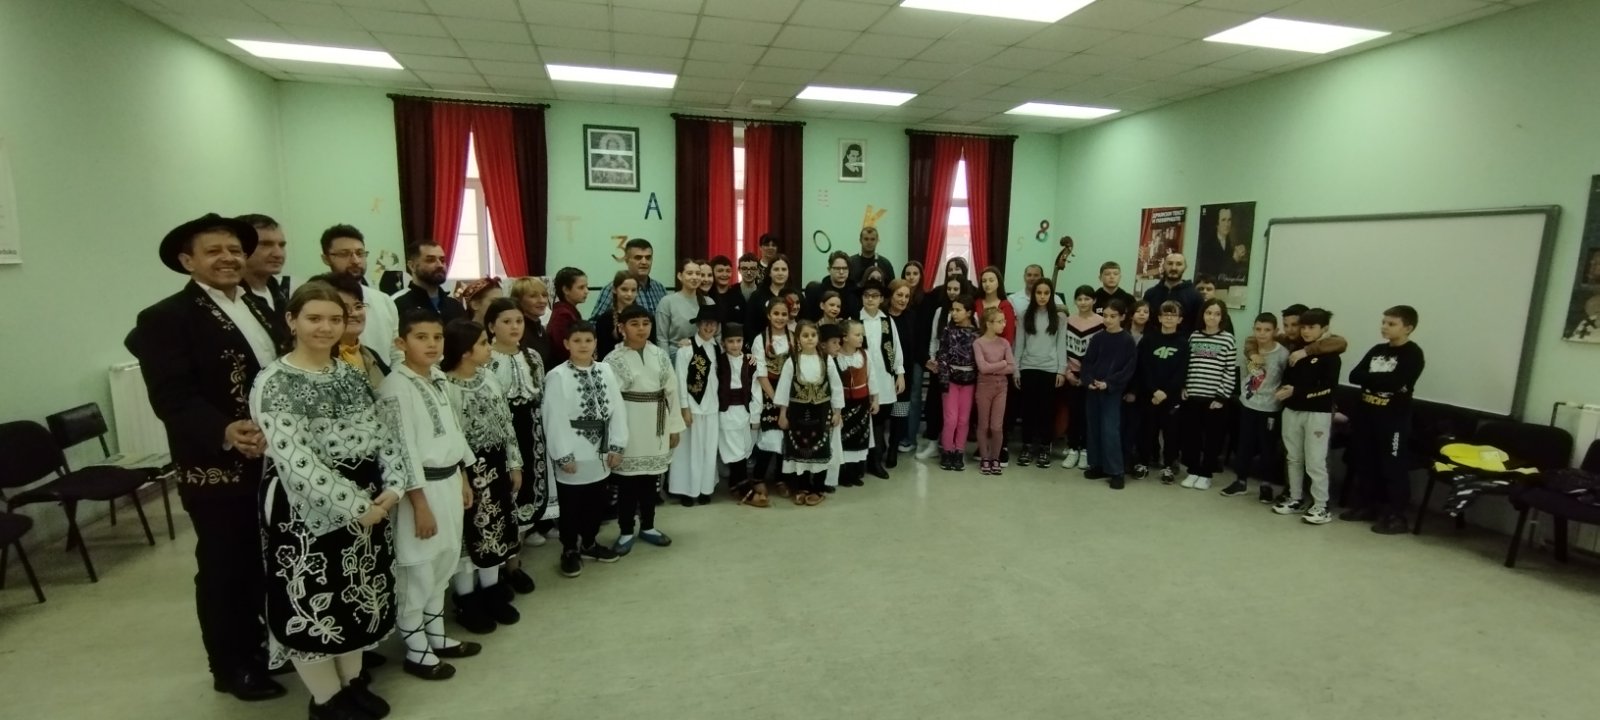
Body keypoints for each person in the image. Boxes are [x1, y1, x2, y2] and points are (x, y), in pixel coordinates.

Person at [125, 213, 289, 703]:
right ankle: (230, 665)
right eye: (214, 251)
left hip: (274, 458)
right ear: (187, 260)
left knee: (265, 559)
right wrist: (223, 430)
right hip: (217, 466)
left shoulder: (258, 305)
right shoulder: (166, 317)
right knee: (224, 565)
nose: (228, 258)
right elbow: (172, 397)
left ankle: (268, 645)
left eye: (235, 250)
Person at [250, 282, 411, 719]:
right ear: (292, 321)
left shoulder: (350, 373)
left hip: (371, 504)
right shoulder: (275, 381)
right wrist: (359, 507)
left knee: (357, 594)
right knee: (314, 599)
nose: (325, 327)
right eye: (314, 318)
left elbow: (383, 434)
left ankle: (351, 682)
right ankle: (325, 699)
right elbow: (295, 461)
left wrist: (394, 487)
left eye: (335, 319)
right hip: (307, 511)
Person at [379, 309, 480, 682]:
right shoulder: (396, 387)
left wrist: (463, 477)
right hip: (418, 491)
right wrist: (419, 505)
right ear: (401, 342)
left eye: (437, 337)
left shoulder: (437, 378)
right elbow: (401, 450)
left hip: (449, 481)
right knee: (418, 567)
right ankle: (416, 649)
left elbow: (453, 432)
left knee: (444, 562)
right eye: (421, 337)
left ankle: (436, 635)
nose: (432, 344)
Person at [439, 320, 523, 633]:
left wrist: (514, 463)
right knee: (469, 535)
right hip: (468, 471)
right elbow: (450, 437)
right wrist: (461, 476)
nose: (489, 348)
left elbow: (506, 423)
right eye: (483, 343)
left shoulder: (488, 378)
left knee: (497, 530)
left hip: (496, 464)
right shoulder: (445, 386)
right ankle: (466, 598)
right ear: (464, 351)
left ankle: (491, 589)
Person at [542, 322, 628, 578]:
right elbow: (554, 417)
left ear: (595, 343)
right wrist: (563, 454)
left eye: (588, 340)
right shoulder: (557, 376)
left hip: (601, 449)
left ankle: (589, 543)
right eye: (577, 340)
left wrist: (618, 444)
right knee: (572, 503)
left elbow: (617, 409)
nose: (583, 345)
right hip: (573, 448)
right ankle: (569, 548)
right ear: (566, 344)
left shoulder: (606, 370)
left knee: (596, 500)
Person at [606, 305, 684, 554]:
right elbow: (609, 401)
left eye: (645, 323)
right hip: (629, 426)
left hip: (656, 425)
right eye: (634, 324)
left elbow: (672, 391)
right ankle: (626, 530)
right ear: (622, 327)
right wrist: (614, 438)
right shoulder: (612, 360)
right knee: (628, 484)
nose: (641, 329)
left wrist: (674, 427)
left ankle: (648, 526)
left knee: (651, 481)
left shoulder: (659, 355)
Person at [483, 298, 550, 589]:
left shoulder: (532, 356)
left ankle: (514, 564)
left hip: (530, 432)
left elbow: (540, 396)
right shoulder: (485, 358)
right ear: (491, 326)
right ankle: (493, 569)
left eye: (519, 321)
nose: (514, 327)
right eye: (507, 322)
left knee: (524, 495)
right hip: (499, 435)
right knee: (501, 497)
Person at [1344, 305, 1426, 535]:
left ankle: (1396, 515)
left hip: (1393, 419)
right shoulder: (1377, 350)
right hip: (1367, 416)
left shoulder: (1412, 354)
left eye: (1391, 324)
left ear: (1408, 328)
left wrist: (1372, 379)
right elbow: (1354, 375)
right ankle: (1368, 505)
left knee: (1393, 467)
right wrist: (1383, 379)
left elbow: (1396, 382)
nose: (1384, 327)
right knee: (1366, 461)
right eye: (1384, 322)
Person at [1273, 308, 1341, 525]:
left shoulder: (1331, 356)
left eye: (1312, 327)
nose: (1306, 331)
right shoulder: (1297, 352)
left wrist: (1297, 391)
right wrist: (1285, 390)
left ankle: (1321, 505)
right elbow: (1288, 377)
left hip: (1317, 413)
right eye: (1304, 327)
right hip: (1292, 410)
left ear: (1324, 329)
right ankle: (1295, 497)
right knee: (1293, 457)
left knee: (1315, 461)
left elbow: (1328, 388)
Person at [1222, 313, 1288, 503]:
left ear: (1275, 331)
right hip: (1248, 404)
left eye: (1267, 330)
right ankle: (1240, 481)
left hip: (1270, 408)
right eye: (1258, 329)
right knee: (1245, 443)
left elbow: (1285, 378)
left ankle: (1266, 485)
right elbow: (1247, 373)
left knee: (1267, 447)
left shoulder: (1282, 354)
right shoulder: (1251, 349)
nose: (1262, 333)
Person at [775, 321, 843, 504]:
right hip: (797, 415)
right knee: (801, 451)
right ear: (798, 339)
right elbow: (783, 388)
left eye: (813, 335)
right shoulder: (792, 361)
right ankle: (802, 486)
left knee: (820, 450)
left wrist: (837, 412)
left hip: (821, 414)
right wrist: (782, 413)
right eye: (805, 335)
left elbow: (836, 387)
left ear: (818, 337)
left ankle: (818, 487)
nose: (810, 339)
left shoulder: (826, 360)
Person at [1177, 299, 1237, 491]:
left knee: (1212, 439)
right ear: (1202, 314)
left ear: (1223, 317)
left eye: (1217, 314)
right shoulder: (1194, 336)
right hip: (1193, 395)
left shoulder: (1228, 339)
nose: (1212, 317)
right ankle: (1193, 470)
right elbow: (1187, 364)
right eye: (1208, 313)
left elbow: (1229, 371)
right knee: (1191, 436)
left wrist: (1221, 397)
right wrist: (1183, 386)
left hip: (1214, 399)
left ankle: (1206, 474)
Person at [1081, 300, 1139, 489]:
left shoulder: (1127, 340)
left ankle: (1116, 471)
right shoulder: (1098, 338)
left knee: (1110, 430)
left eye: (1113, 316)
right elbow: (1087, 362)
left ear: (1122, 317)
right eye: (1105, 316)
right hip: (1094, 390)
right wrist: (1089, 380)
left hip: (1112, 392)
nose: (1108, 320)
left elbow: (1128, 369)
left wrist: (1109, 383)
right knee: (1094, 427)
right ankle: (1097, 465)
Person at [669, 306, 723, 505]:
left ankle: (704, 488)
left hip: (712, 407)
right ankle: (687, 490)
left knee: (709, 449)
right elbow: (680, 380)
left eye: (713, 324)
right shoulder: (686, 349)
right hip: (692, 407)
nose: (709, 327)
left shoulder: (718, 348)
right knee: (688, 451)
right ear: (698, 325)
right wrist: (684, 409)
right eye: (705, 323)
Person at [1012, 278, 1067, 468]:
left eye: (1046, 293)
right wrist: (1016, 370)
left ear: (1051, 295)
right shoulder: (1024, 315)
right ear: (1033, 294)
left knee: (1047, 411)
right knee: (1028, 410)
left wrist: (1061, 370)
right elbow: (1019, 343)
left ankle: (1045, 447)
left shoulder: (1059, 317)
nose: (1042, 296)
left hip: (1050, 369)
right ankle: (1026, 446)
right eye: (1039, 293)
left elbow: (1061, 345)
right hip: (1028, 368)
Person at [319, 224, 399, 353]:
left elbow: (396, 353)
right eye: (344, 254)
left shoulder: (384, 300)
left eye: (360, 253)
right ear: (326, 259)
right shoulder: (316, 301)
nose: (355, 260)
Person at [917, 276, 970, 460]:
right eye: (949, 288)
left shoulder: (969, 313)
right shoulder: (940, 311)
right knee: (934, 406)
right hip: (941, 367)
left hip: (962, 372)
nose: (952, 292)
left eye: (956, 289)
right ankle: (933, 443)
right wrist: (932, 360)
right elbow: (934, 338)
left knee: (955, 413)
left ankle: (953, 447)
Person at [1137, 301, 1188, 484]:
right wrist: (1154, 390)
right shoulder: (1148, 340)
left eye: (1173, 315)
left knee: (1171, 432)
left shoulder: (1183, 343)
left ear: (1179, 319)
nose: (1169, 318)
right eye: (1165, 314)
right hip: (1150, 395)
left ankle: (1168, 465)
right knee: (1147, 430)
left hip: (1171, 396)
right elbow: (1143, 367)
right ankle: (1143, 462)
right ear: (1159, 318)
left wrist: (1165, 392)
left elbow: (1181, 371)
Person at [313, 272, 390, 391]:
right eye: (344, 308)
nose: (354, 313)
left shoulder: (370, 354)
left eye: (358, 306)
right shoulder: (316, 360)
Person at [858, 279, 903, 477]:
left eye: (875, 296)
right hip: (862, 378)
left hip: (884, 378)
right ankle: (862, 460)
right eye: (867, 295)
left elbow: (896, 347)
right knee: (863, 419)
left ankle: (875, 461)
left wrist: (900, 373)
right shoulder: (856, 320)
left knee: (879, 419)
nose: (870, 299)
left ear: (882, 299)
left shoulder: (887, 321)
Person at [831, 319, 884, 487]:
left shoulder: (864, 355)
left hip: (862, 405)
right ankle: (843, 474)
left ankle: (855, 472)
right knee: (843, 439)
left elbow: (872, 378)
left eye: (862, 334)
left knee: (859, 438)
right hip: (844, 405)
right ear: (845, 337)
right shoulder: (835, 358)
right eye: (857, 334)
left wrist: (875, 400)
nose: (861, 337)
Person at [751, 298, 796, 500]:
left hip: (790, 391)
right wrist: (776, 398)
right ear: (769, 315)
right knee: (770, 436)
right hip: (768, 391)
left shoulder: (794, 338)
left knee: (786, 436)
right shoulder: (760, 339)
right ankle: (758, 477)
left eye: (784, 314)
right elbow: (761, 373)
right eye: (776, 313)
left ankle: (781, 478)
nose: (780, 318)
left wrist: (788, 396)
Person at [716, 323, 764, 506]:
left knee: (743, 448)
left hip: (744, 411)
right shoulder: (718, 361)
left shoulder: (750, 362)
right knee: (734, 450)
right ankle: (744, 487)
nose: (735, 345)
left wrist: (755, 415)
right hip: (726, 412)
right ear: (723, 343)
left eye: (739, 341)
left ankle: (735, 483)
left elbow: (756, 389)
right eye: (730, 341)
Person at [1061, 285, 1104, 470]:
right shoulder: (1068, 321)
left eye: (1087, 299)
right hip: (1071, 374)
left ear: (1094, 300)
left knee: (1089, 415)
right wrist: (1068, 373)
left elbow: (1103, 352)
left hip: (1092, 376)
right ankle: (1073, 448)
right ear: (1075, 301)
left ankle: (1086, 450)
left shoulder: (1101, 322)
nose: (1083, 302)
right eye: (1080, 299)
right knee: (1073, 413)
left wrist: (1090, 377)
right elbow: (1061, 348)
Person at [936, 293, 980, 472]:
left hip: (969, 383)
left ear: (968, 312)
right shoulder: (948, 331)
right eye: (952, 310)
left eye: (958, 310)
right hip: (951, 382)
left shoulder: (976, 334)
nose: (953, 313)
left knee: (963, 420)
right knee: (951, 419)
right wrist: (944, 379)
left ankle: (959, 452)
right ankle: (947, 451)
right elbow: (942, 355)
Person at [974, 308, 1017, 476]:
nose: (1004, 324)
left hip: (1001, 387)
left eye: (1004, 321)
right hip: (984, 386)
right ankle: (985, 457)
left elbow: (1012, 367)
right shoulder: (978, 343)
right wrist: (1002, 364)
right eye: (1000, 321)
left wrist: (995, 367)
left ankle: (995, 458)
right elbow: (982, 368)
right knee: (983, 425)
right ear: (989, 324)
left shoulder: (1004, 343)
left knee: (996, 426)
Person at [588, 238, 666, 317]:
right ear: (626, 260)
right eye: (638, 258)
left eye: (648, 258)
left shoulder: (659, 288)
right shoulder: (614, 288)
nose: (644, 262)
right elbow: (595, 321)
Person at [886, 278, 920, 461]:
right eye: (899, 295)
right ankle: (879, 447)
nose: (903, 299)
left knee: (900, 412)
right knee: (882, 412)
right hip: (884, 372)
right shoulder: (882, 316)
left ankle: (893, 448)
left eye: (907, 296)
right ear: (890, 295)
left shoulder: (912, 317)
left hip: (904, 372)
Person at [392, 241, 466, 323]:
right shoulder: (397, 304)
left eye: (442, 260)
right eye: (430, 260)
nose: (440, 265)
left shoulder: (455, 306)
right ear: (412, 266)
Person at [594, 270, 657, 359]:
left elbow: (652, 347)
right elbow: (602, 353)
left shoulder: (646, 317)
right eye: (624, 289)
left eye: (633, 290)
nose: (629, 294)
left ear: (638, 291)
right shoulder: (605, 319)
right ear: (614, 289)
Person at [656, 258, 713, 351]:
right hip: (675, 354)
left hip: (704, 354)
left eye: (698, 274)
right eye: (689, 273)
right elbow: (662, 339)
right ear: (680, 276)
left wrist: (692, 342)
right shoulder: (667, 302)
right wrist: (665, 360)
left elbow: (715, 335)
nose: (694, 277)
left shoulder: (709, 302)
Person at [1141, 253, 1203, 335]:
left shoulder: (1195, 296)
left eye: (1179, 264)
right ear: (1164, 266)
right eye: (1170, 263)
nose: (1174, 268)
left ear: (1185, 267)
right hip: (1153, 341)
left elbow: (1198, 325)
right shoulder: (1150, 294)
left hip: (1184, 341)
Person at [237, 213, 288, 314]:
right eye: (265, 244)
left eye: (281, 245)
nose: (278, 254)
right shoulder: (229, 297)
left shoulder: (283, 293)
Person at [508, 276, 553, 368]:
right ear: (518, 300)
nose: (542, 301)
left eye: (544, 295)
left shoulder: (540, 328)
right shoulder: (517, 331)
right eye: (533, 296)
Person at [804, 251, 862, 321]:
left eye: (845, 268)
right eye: (837, 268)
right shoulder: (818, 292)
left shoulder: (855, 292)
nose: (841, 272)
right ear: (829, 269)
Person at [547, 267, 587, 366]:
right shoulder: (563, 315)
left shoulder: (569, 311)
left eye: (586, 287)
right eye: (581, 287)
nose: (586, 291)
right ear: (566, 290)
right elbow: (563, 348)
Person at [744, 254, 794, 332]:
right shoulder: (757, 296)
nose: (780, 273)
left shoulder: (795, 296)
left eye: (784, 269)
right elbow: (749, 326)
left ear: (788, 272)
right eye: (776, 269)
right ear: (769, 273)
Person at [708, 255, 746, 326]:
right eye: (720, 271)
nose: (725, 274)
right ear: (712, 272)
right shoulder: (707, 296)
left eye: (728, 271)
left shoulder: (737, 296)